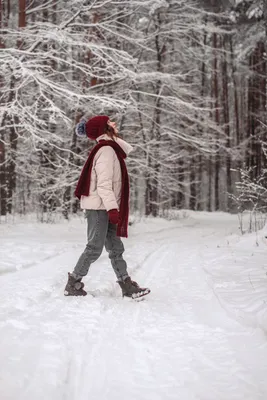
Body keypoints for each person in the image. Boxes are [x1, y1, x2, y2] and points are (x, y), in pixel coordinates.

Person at [64, 115, 150, 299]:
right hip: (99, 207)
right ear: (104, 129)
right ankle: (73, 283)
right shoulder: (106, 151)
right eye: (109, 122)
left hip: (106, 205)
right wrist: (112, 209)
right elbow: (103, 185)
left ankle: (126, 285)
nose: (114, 124)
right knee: (94, 247)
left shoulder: (110, 148)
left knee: (115, 247)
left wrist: (112, 207)